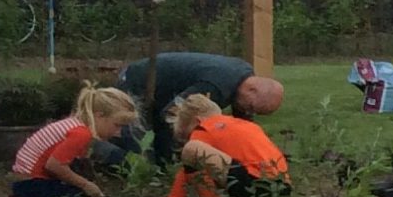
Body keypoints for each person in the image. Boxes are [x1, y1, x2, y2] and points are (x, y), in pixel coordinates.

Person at [113, 52, 284, 160]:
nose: (247, 112)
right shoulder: (216, 86)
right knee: (126, 141)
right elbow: (173, 112)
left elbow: (242, 127)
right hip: (139, 81)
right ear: (252, 89)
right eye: (251, 107)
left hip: (165, 89)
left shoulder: (244, 75)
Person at [9, 86, 139, 197]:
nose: (118, 133)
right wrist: (85, 184)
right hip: (32, 184)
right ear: (99, 116)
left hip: (28, 180)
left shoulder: (75, 125)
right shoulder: (81, 134)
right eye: (117, 126)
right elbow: (54, 165)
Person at [164, 91, 292, 197]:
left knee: (192, 150)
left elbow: (186, 169)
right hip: (281, 187)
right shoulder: (243, 125)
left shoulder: (204, 129)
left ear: (197, 121)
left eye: (187, 134)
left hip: (253, 183)